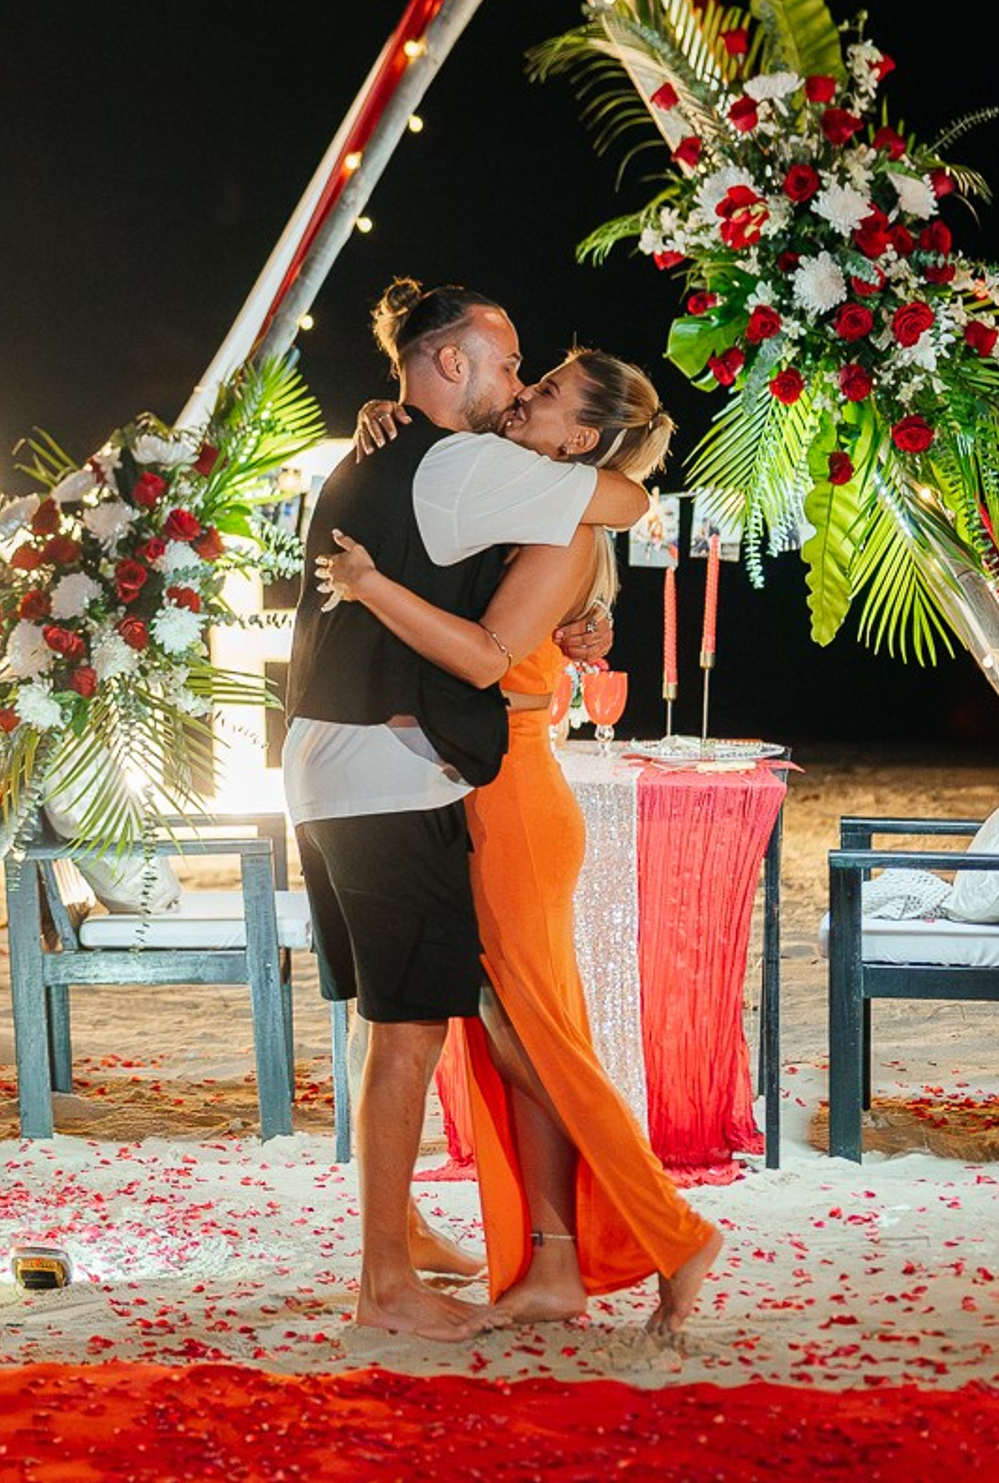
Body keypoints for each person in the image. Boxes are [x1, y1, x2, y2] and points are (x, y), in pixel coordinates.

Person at [316, 348, 723, 1336]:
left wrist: (372, 591)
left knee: (535, 1035)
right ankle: (552, 1265)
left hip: (513, 802)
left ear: (578, 437)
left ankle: (673, 1229)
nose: (520, 396)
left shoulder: (566, 520)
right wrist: (389, 414)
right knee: (509, 1034)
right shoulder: (527, 499)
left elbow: (501, 668)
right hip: (483, 793)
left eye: (540, 394)